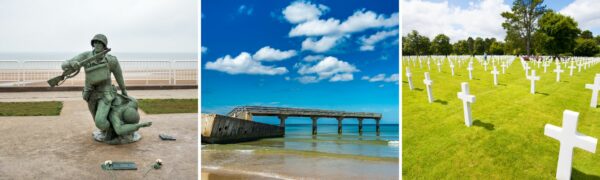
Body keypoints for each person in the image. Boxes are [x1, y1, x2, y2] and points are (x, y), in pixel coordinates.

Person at [62, 34, 128, 134]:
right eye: (95, 42)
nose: (97, 45)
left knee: (100, 122)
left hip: (105, 94)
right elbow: (64, 65)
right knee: (96, 121)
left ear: (104, 45)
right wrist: (72, 63)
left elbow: (119, 76)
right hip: (90, 94)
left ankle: (114, 131)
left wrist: (124, 91)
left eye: (99, 43)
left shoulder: (111, 60)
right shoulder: (86, 56)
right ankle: (109, 131)